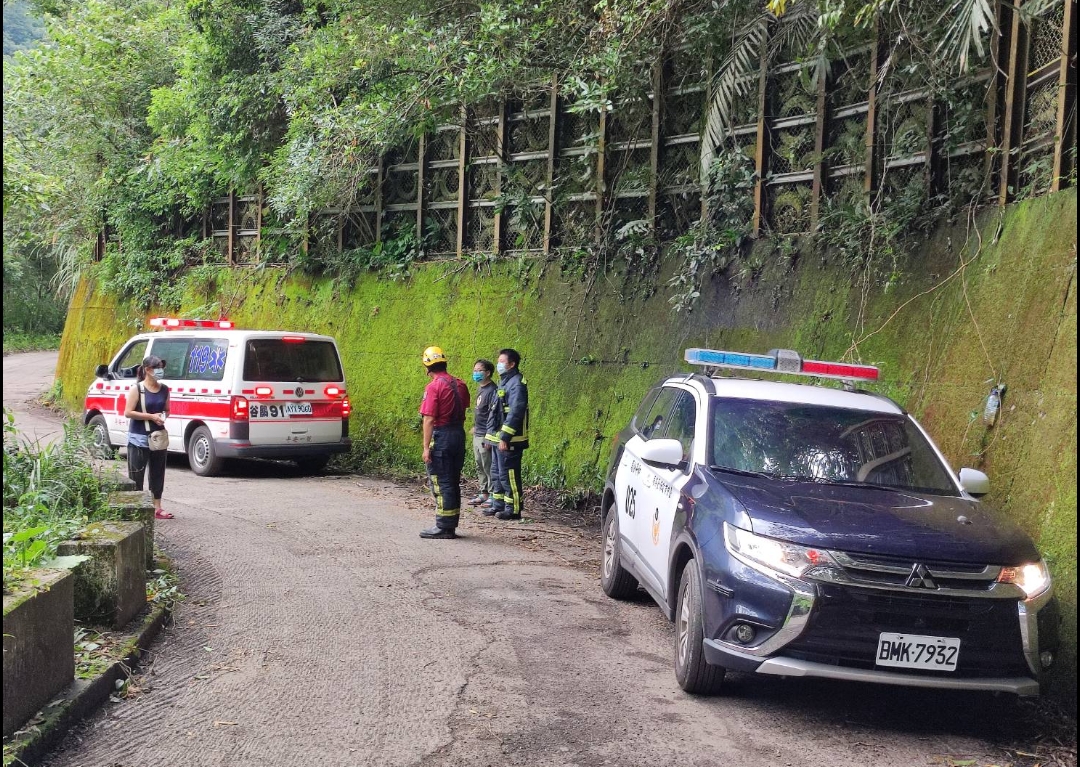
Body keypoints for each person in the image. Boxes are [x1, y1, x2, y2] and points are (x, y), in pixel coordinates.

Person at [418, 346, 470, 539]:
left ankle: (444, 526)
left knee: (442, 481)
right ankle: (451, 523)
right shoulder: (460, 384)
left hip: (443, 435)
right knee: (453, 480)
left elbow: (429, 419)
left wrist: (425, 447)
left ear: (427, 366)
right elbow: (463, 407)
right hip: (458, 434)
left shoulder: (434, 387)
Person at [123, 355, 173, 519]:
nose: (160, 370)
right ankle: (138, 507)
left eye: (161, 367)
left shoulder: (165, 389)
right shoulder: (137, 389)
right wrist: (151, 416)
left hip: (158, 438)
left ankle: (156, 506)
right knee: (136, 474)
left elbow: (167, 409)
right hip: (138, 438)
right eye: (157, 367)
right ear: (147, 370)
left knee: (158, 472)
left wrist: (162, 416)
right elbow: (128, 412)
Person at [485, 348, 529, 521]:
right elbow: (496, 412)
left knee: (508, 473)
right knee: (496, 472)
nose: (499, 364)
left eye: (502, 361)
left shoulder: (517, 383)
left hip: (511, 439)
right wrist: (490, 436)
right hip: (498, 438)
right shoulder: (504, 382)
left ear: (512, 364)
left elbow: (515, 412)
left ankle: (514, 509)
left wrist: (505, 437)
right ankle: (499, 504)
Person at [467, 359, 497, 512]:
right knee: (479, 464)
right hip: (477, 433)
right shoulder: (481, 388)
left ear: (488, 373)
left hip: (486, 434)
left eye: (479, 370)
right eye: (475, 370)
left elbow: (493, 414)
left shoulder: (492, 390)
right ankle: (483, 492)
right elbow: (481, 411)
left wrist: (489, 435)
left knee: (489, 465)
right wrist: (475, 426)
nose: (476, 373)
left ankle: (493, 494)